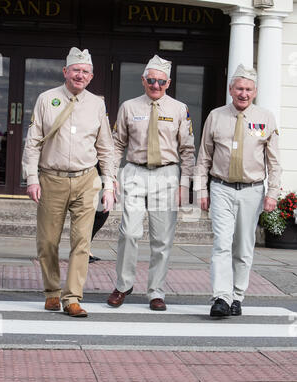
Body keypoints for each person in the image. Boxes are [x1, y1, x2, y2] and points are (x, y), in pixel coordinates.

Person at [22, 47, 115, 317]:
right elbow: (33, 143)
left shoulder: (97, 103)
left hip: (87, 180)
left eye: (86, 71)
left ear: (92, 76)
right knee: (47, 242)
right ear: (66, 72)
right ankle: (52, 292)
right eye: (76, 70)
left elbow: (106, 148)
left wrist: (108, 185)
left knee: (82, 241)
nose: (80, 75)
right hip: (52, 179)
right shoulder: (46, 99)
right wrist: (32, 178)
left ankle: (72, 297)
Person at [107, 55, 195, 311]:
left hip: (166, 175)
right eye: (151, 80)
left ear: (169, 82)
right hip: (134, 172)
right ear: (143, 80)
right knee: (129, 233)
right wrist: (111, 177)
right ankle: (123, 285)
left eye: (161, 81)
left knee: (162, 240)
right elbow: (116, 144)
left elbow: (188, 149)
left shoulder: (180, 109)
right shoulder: (129, 107)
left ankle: (156, 291)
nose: (156, 85)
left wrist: (185, 185)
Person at [194, 64, 282, 317]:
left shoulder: (266, 118)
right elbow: (204, 156)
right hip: (221, 187)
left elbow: (274, 161)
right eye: (239, 88)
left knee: (243, 247)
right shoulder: (216, 116)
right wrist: (201, 189)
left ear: (254, 92)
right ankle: (221, 297)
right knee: (222, 244)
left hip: (252, 191)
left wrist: (272, 193)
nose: (243, 93)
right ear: (231, 90)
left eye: (248, 89)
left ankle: (237, 296)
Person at [88, 162, 109, 263]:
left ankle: (85, 248)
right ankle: (82, 250)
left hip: (101, 169)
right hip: (87, 167)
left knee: (102, 212)